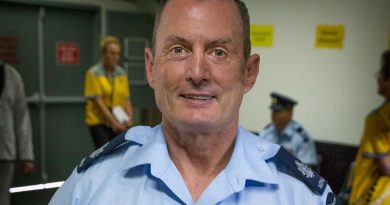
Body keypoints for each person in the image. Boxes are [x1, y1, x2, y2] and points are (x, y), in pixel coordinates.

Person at [49, 0, 339, 204]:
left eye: (218, 52)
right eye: (178, 49)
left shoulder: (302, 195)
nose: (197, 73)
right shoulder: (91, 185)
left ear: (249, 73)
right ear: (151, 68)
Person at [349, 50, 390, 205]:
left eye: (381, 74)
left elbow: (385, 167)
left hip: (372, 196)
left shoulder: (378, 118)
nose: (378, 79)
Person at [84, 36, 134, 149]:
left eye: (117, 54)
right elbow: (99, 102)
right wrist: (114, 123)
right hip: (99, 121)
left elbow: (126, 98)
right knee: (105, 152)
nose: (115, 57)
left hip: (118, 117)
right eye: (112, 53)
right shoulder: (93, 73)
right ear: (104, 54)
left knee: (120, 151)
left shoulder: (121, 73)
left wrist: (129, 119)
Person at [0, 61, 34, 205]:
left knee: (2, 198)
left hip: (5, 149)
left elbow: (22, 118)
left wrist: (27, 155)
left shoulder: (12, 76)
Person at [259, 92, 318, 168]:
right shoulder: (265, 133)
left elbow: (306, 171)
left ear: (289, 113)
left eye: (278, 111)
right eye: (273, 111)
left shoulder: (302, 139)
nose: (273, 114)